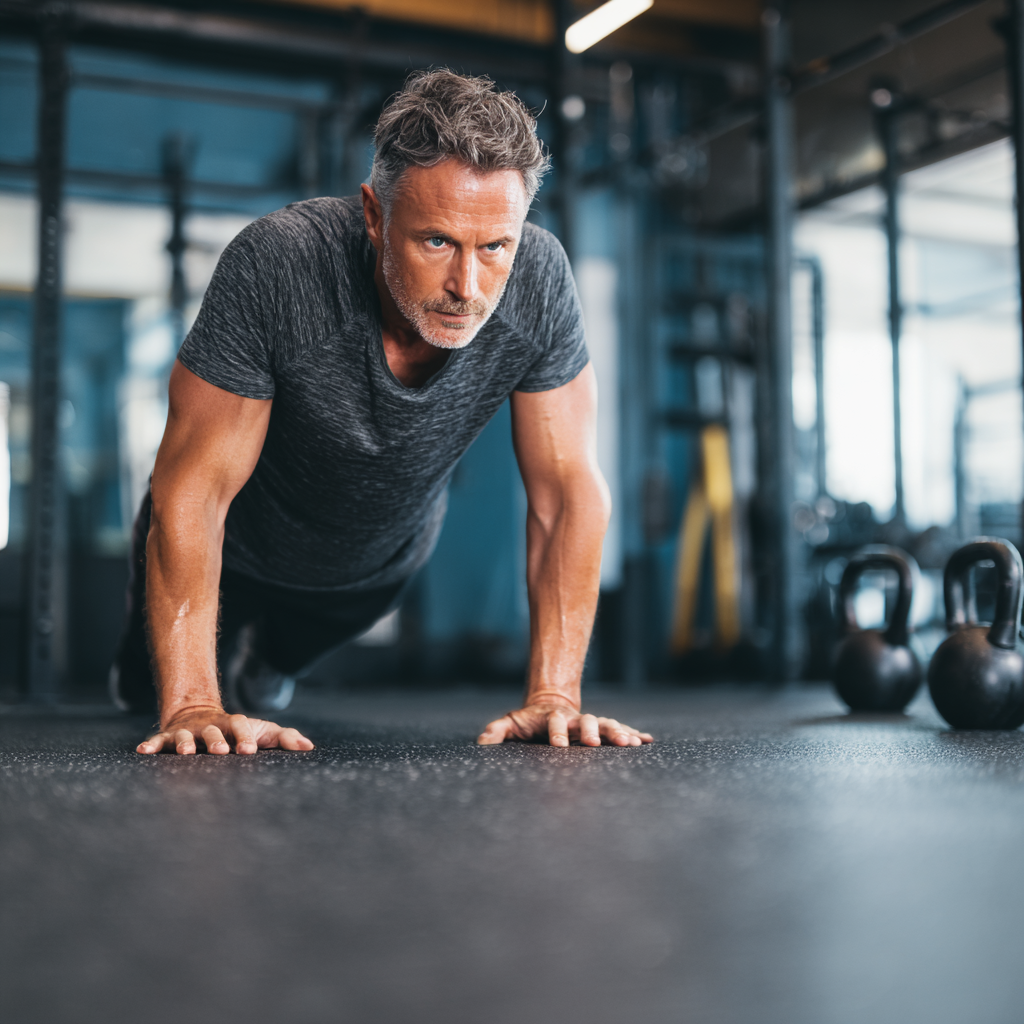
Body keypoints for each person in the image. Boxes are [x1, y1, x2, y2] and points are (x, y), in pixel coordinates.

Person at [112, 69, 654, 756]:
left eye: (495, 248)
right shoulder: (281, 266)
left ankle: (265, 673)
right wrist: (189, 702)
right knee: (146, 697)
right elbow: (193, 489)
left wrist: (555, 699)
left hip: (370, 570)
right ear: (374, 215)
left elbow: (568, 490)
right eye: (436, 243)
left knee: (268, 678)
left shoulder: (540, 281)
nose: (468, 287)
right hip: (233, 555)